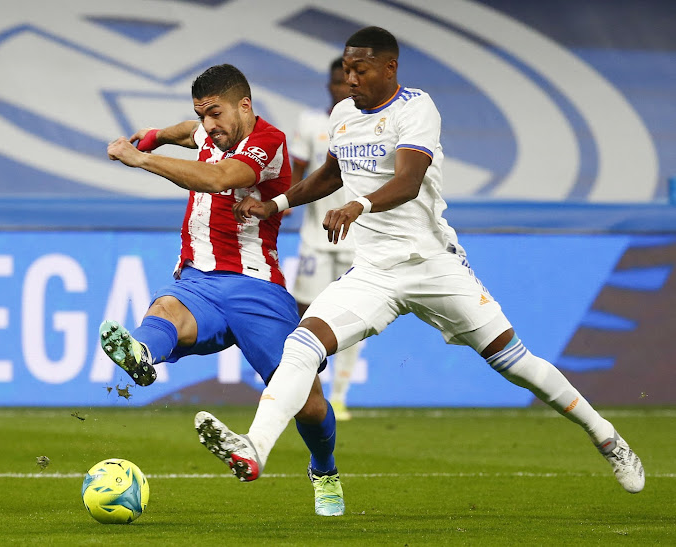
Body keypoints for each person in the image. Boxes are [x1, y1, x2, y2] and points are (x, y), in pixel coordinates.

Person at [194, 28, 645, 499]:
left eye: (360, 70)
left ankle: (607, 437)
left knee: (515, 363)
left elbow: (409, 180)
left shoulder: (417, 108)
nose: (349, 79)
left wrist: (358, 207)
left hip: (432, 265)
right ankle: (255, 448)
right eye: (346, 69)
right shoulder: (344, 115)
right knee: (303, 344)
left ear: (389, 68)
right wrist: (277, 204)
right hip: (373, 272)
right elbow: (330, 175)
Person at [104, 64, 344, 517]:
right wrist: (156, 135)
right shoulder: (211, 133)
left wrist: (143, 159)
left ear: (245, 106)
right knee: (166, 307)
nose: (208, 127)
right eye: (203, 116)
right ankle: (141, 353)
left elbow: (218, 179)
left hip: (258, 289)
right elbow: (188, 132)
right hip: (200, 281)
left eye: (215, 114)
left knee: (309, 404)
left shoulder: (268, 142)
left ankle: (325, 469)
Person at [289, 56, 361, 421]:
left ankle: (341, 395)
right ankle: (305, 387)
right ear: (329, 85)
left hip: (358, 242)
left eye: (347, 80)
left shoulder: (369, 126)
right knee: (304, 313)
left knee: (353, 318)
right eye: (337, 80)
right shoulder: (312, 122)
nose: (342, 86)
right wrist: (282, 201)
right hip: (316, 239)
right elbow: (299, 170)